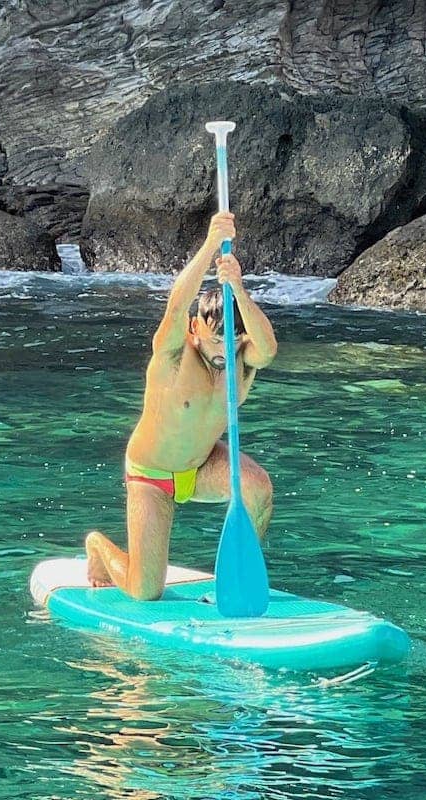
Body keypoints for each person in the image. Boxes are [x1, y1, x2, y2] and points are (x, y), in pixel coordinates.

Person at [85, 211, 278, 600]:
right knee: (144, 591)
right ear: (195, 330)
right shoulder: (173, 357)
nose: (222, 350)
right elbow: (176, 307)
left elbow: (269, 348)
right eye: (213, 340)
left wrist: (238, 288)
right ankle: (99, 548)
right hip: (151, 473)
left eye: (232, 341)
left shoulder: (243, 358)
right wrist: (210, 244)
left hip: (203, 466)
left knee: (258, 488)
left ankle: (236, 579)